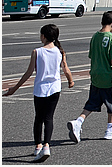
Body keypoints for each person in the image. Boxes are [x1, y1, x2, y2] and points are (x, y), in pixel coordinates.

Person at [4, 23, 75, 162]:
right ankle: (47, 146)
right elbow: (66, 69)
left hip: (40, 89)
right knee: (49, 118)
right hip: (55, 89)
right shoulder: (60, 52)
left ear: (43, 36)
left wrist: (14, 88)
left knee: (38, 118)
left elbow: (28, 73)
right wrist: (70, 81)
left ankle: (38, 146)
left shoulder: (37, 52)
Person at [67, 11, 112, 144]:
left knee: (92, 103)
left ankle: (78, 121)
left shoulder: (95, 37)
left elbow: (92, 56)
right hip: (107, 76)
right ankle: (110, 129)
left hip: (95, 75)